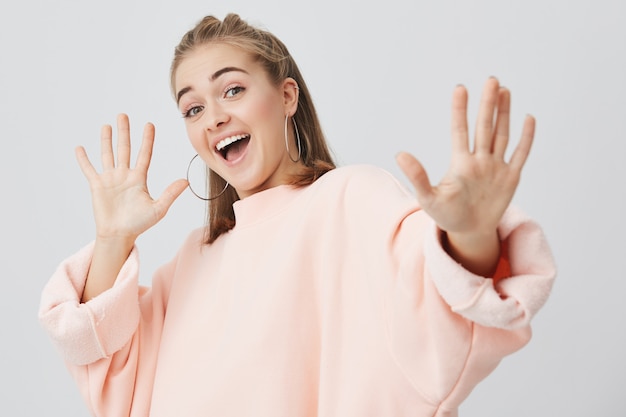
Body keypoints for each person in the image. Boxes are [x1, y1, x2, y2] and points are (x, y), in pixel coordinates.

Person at [39, 13, 556, 417]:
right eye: (192, 108)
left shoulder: (349, 199)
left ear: (286, 96)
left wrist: (470, 232)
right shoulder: (193, 262)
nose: (214, 116)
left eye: (232, 89)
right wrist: (111, 240)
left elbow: (438, 301)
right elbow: (117, 384)